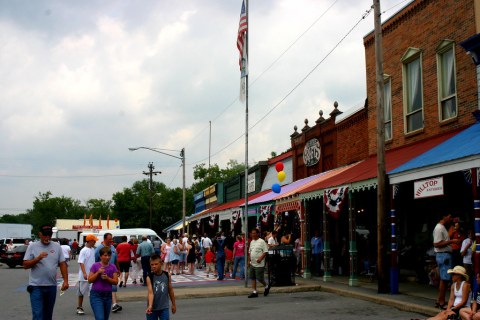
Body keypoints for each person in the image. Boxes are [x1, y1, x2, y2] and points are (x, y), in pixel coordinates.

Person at [23, 225, 69, 320]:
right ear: (40, 234)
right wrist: (38, 258)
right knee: (38, 315)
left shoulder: (56, 246)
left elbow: (62, 264)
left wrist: (66, 281)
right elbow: (25, 265)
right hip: (36, 286)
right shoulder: (33, 246)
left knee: (48, 315)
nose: (47, 237)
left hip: (51, 285)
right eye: (45, 235)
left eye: (49, 235)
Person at [433, 213, 459, 309]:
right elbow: (436, 244)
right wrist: (452, 241)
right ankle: (441, 301)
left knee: (443, 279)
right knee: (444, 280)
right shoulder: (439, 228)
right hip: (444, 255)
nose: (450, 218)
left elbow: (444, 238)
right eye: (449, 216)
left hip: (443, 255)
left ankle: (439, 300)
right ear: (444, 216)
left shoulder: (442, 227)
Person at [89, 246, 119, 320]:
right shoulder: (95, 265)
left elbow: (115, 282)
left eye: (109, 255)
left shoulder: (113, 267)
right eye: (105, 255)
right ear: (101, 256)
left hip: (108, 295)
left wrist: (107, 278)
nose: (107, 257)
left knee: (105, 318)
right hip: (96, 295)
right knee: (100, 318)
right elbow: (89, 280)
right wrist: (98, 273)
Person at [95, 232, 122, 313]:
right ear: (105, 239)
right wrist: (98, 270)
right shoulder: (99, 248)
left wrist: (118, 269)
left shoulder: (113, 248)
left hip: (112, 270)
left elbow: (116, 259)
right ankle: (103, 303)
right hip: (103, 271)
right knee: (104, 288)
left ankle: (114, 304)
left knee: (113, 287)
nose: (111, 240)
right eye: (109, 239)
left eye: (111, 239)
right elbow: (96, 260)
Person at [146, 254, 177, 320]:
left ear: (161, 264)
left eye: (156, 264)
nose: (154, 266)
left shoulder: (167, 275)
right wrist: (150, 305)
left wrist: (173, 304)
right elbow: (150, 293)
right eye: (152, 264)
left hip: (164, 307)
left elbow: (170, 290)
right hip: (152, 308)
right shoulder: (149, 277)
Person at [77, 234, 98, 315]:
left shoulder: (93, 249)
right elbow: (81, 262)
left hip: (92, 275)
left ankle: (95, 307)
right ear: (89, 241)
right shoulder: (83, 250)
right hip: (84, 276)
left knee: (93, 292)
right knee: (81, 292)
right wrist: (85, 273)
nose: (95, 242)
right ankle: (79, 307)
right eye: (94, 241)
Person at [248, 228, 270, 298]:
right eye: (252, 233)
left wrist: (260, 258)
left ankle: (266, 286)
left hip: (259, 264)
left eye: (254, 233)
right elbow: (250, 252)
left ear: (257, 234)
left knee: (260, 278)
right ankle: (254, 291)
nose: (253, 234)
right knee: (253, 277)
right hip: (252, 263)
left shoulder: (262, 241)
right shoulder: (252, 242)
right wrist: (249, 260)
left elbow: (265, 251)